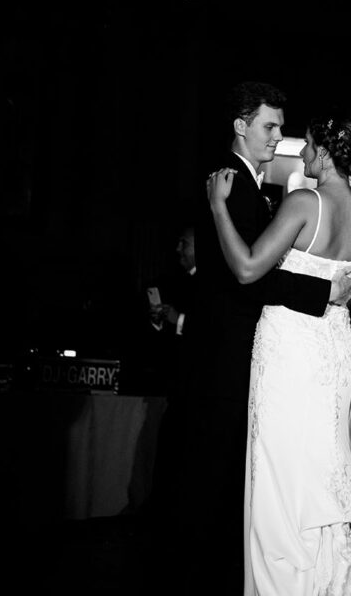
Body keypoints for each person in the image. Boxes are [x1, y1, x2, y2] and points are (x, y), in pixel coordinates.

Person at [188, 83, 351, 594]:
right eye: (270, 126)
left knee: (278, 475)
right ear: (240, 125)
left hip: (285, 353)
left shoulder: (289, 197)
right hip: (250, 354)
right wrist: (325, 288)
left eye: (288, 130)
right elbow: (251, 275)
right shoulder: (231, 183)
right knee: (301, 470)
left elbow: (257, 269)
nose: (282, 138)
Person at [138, 224, 198, 535]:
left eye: (183, 243)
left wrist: (178, 320)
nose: (178, 249)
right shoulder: (174, 281)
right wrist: (161, 321)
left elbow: (208, 330)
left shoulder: (209, 283)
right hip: (173, 379)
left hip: (195, 383)